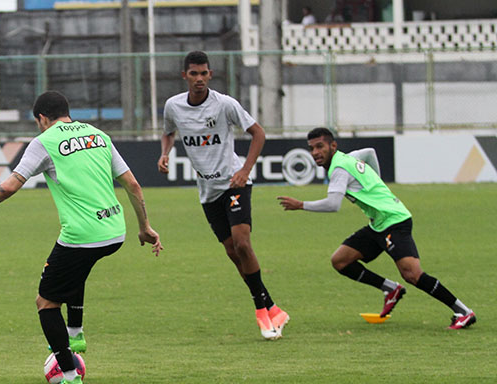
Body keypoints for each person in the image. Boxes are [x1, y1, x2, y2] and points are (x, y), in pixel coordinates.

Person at [0, 90, 162, 384]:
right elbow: (132, 184)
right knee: (77, 268)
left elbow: (10, 186)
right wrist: (145, 227)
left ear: (41, 118)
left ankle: (69, 377)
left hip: (82, 234)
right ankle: (75, 332)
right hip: (115, 230)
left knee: (46, 302)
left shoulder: (44, 141)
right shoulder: (98, 135)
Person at [277, 127, 475, 329]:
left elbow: (333, 204)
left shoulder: (339, 169)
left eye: (320, 146)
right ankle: (391, 289)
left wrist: (300, 205)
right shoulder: (349, 157)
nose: (315, 153)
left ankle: (463, 311)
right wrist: (376, 185)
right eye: (311, 148)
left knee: (412, 274)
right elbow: (370, 152)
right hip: (378, 224)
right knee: (340, 261)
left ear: (333, 146)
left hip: (395, 221)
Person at [158, 50, 289, 340]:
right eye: (194, 73)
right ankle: (273, 307)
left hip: (234, 183)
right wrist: (165, 153)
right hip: (208, 192)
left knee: (242, 243)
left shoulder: (225, 105)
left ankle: (262, 313)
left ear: (210, 75)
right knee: (233, 253)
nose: (200, 79)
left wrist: (245, 169)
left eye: (204, 73)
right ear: (185, 76)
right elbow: (168, 131)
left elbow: (259, 133)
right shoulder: (174, 106)